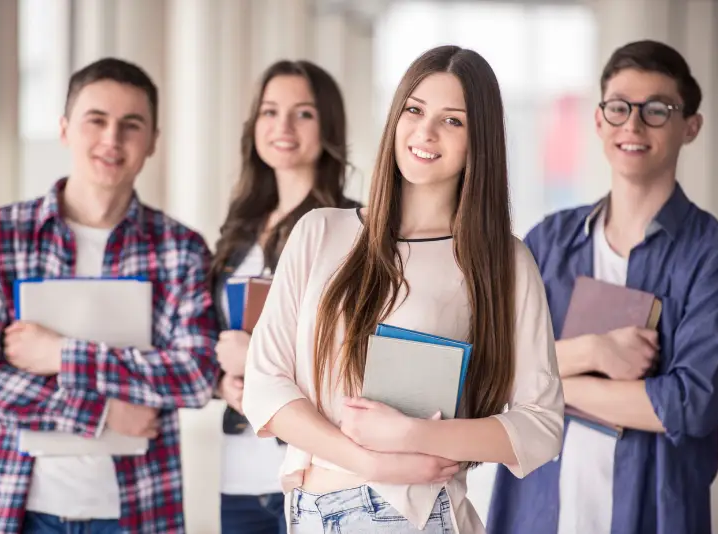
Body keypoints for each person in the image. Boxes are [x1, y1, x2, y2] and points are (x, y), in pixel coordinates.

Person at [241, 45, 564, 533]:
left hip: (411, 516)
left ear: (480, 141)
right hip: (309, 511)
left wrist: (417, 434)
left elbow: (541, 425)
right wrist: (369, 461)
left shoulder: (503, 260)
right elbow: (264, 385)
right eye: (414, 110)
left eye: (452, 121)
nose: (425, 132)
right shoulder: (320, 231)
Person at [486, 40, 718, 534]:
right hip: (536, 509)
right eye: (619, 107)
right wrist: (593, 351)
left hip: (654, 512)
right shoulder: (548, 242)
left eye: (656, 110)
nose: (632, 125)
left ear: (690, 126)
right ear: (599, 121)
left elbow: (689, 406)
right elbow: (495, 366)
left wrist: (551, 387)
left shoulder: (716, 257)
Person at [0, 58, 219, 534]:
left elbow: (194, 376)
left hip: (138, 512)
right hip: (17, 509)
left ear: (152, 140)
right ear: (64, 129)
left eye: (130, 125)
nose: (112, 139)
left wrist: (59, 353)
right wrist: (101, 412)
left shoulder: (181, 249)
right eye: (96, 120)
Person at [210, 59, 360, 534]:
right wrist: (224, 383)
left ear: (328, 126)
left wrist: (253, 358)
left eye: (303, 114)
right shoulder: (239, 231)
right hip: (238, 472)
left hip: (312, 471)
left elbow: (351, 354)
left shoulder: (351, 229)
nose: (283, 127)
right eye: (270, 112)